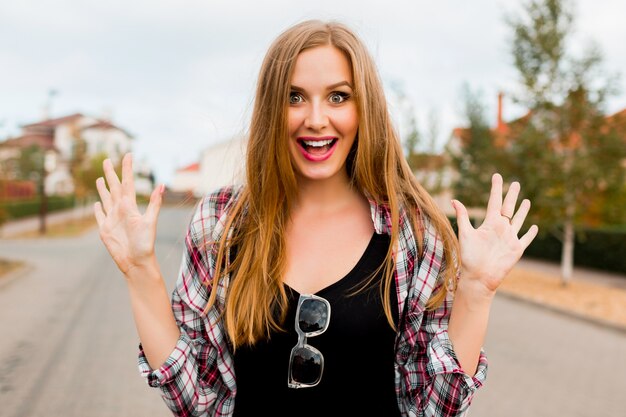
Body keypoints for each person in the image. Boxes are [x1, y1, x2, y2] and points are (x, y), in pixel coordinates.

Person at [94, 19, 538, 417]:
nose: (316, 119)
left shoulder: (414, 234)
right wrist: (140, 272)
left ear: (364, 109)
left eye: (338, 97)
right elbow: (198, 400)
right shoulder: (221, 222)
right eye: (295, 97)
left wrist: (476, 291)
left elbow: (431, 406)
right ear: (272, 109)